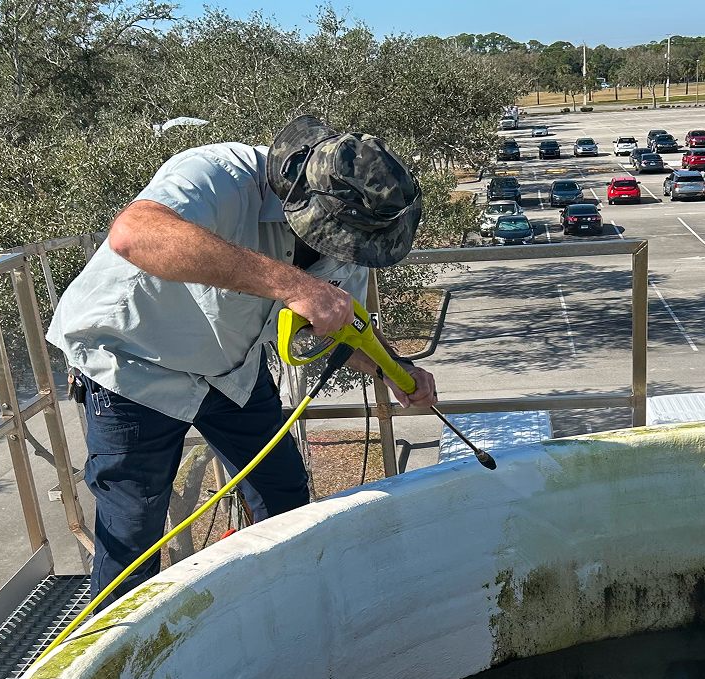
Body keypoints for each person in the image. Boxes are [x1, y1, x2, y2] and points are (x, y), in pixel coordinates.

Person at [47, 115, 438, 609]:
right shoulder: (220, 172)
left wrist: (394, 370)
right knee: (132, 532)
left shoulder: (356, 233)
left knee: (284, 496)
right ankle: (110, 667)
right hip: (131, 364)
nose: (346, 254)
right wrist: (295, 285)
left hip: (231, 370)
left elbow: (345, 325)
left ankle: (288, 611)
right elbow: (134, 235)